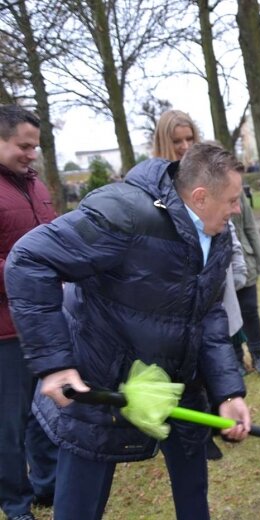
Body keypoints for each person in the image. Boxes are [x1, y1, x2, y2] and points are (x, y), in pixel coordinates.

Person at [4, 143, 252, 519]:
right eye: (233, 200)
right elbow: (28, 260)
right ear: (200, 197)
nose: (238, 208)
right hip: (102, 384)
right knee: (80, 502)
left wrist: (228, 390)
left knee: (192, 487)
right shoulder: (122, 214)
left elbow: (208, 312)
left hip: (177, 380)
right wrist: (55, 363)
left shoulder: (215, 232)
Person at [152, 109, 241, 461]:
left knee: (212, 351)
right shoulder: (158, 196)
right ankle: (192, 434)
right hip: (172, 310)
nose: (185, 147)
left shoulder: (215, 195)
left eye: (190, 139)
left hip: (208, 295)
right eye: (177, 142)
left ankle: (210, 425)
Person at [0, 105, 59, 520]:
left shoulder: (36, 186)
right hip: (4, 332)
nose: (30, 155)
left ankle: (46, 486)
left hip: (43, 321)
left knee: (47, 412)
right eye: (23, 146)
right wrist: (31, 272)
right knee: (9, 425)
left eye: (34, 147)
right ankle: (16, 504)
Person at [231, 190, 260, 377]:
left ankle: (258, 357)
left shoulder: (236, 190)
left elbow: (250, 228)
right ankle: (237, 359)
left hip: (246, 262)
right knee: (229, 315)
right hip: (223, 266)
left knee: (250, 310)